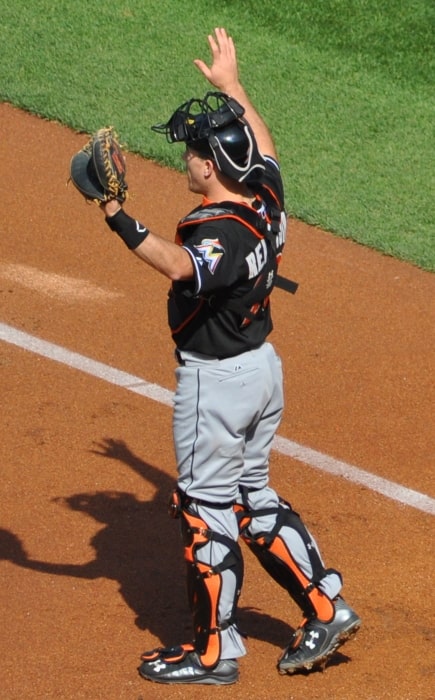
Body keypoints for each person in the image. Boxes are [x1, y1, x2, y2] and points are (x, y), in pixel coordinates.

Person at [100, 27, 361, 686]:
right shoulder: (264, 200)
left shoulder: (217, 233)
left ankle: (215, 654)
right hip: (260, 376)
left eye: (190, 154)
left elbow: (177, 263)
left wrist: (115, 214)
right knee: (250, 499)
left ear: (209, 167)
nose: (184, 162)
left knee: (202, 511)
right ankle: (324, 605)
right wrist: (230, 88)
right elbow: (264, 145)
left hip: (214, 387)